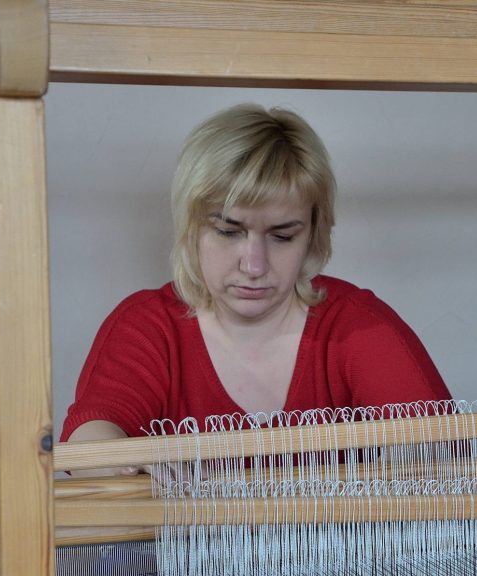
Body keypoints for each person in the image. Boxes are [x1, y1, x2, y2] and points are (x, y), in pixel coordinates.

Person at [62, 104, 451, 472]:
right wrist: (123, 460)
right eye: (228, 231)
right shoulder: (148, 327)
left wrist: (413, 461)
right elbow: (88, 439)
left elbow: (441, 453)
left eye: (282, 236)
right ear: (190, 226)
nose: (254, 265)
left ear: (313, 234)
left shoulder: (357, 325)